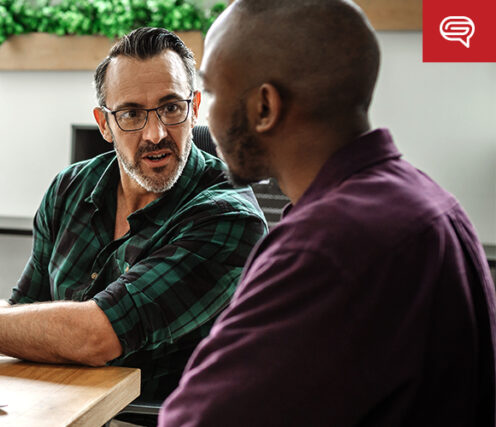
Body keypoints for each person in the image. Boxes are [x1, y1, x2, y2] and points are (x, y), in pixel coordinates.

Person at [0, 27, 267, 405]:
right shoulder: (71, 188)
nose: (155, 134)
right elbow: (22, 311)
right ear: (105, 124)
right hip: (50, 399)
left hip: (143, 415)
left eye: (171, 108)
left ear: (194, 109)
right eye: (132, 114)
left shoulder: (228, 217)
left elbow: (98, 336)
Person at [160, 1, 496, 425]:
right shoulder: (430, 201)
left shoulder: (328, 247)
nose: (203, 115)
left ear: (264, 107)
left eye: (209, 91)